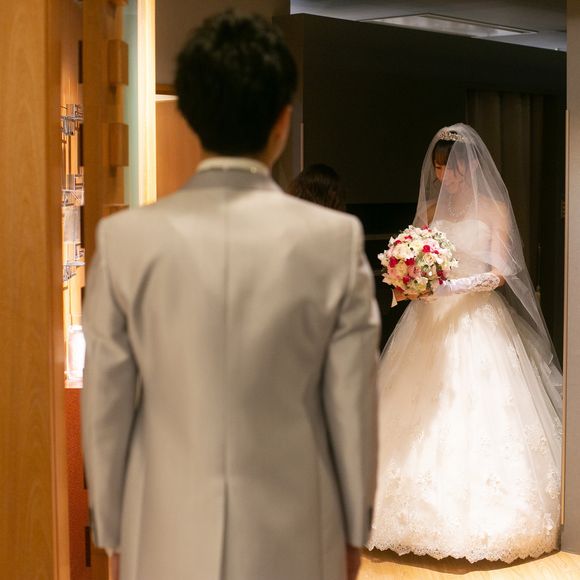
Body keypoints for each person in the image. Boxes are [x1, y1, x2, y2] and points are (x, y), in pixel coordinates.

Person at [81, 10, 380, 580]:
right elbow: (352, 403)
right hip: (298, 530)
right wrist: (352, 531)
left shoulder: (124, 240)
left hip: (162, 531)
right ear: (282, 120)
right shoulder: (334, 241)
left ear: (192, 117)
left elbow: (106, 405)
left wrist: (114, 535)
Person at [368, 123, 562, 563]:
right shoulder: (430, 210)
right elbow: (413, 256)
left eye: (450, 168)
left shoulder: (493, 210)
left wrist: (454, 287)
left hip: (476, 318)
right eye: (439, 169)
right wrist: (411, 281)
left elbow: (500, 274)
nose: (444, 177)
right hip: (428, 321)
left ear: (469, 167)